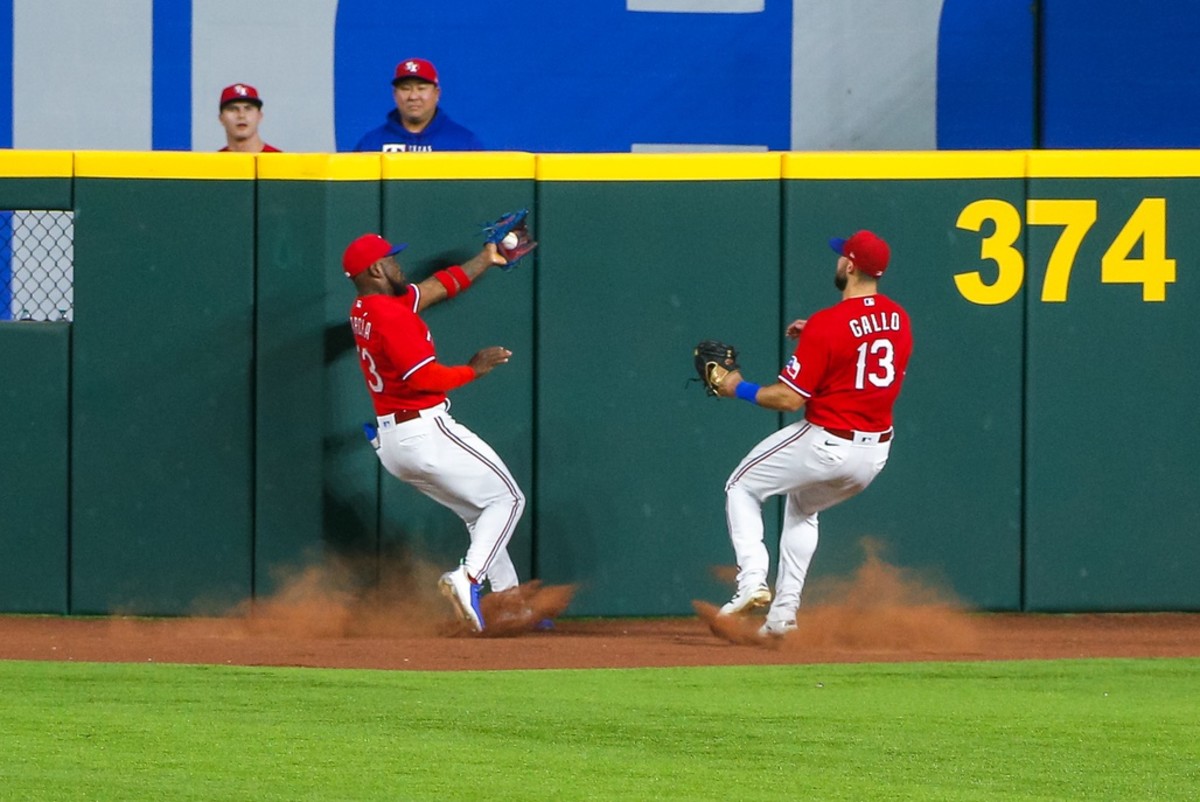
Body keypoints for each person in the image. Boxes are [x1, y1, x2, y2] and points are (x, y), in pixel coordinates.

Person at [713, 230, 913, 639]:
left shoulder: (829, 325)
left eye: (843, 256)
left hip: (827, 442)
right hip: (873, 456)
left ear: (852, 266)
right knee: (804, 508)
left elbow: (787, 399)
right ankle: (783, 616)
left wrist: (737, 387)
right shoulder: (899, 319)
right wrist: (819, 336)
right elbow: (863, 347)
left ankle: (752, 580)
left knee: (741, 487)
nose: (838, 260)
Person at [342, 231, 521, 633]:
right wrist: (473, 369)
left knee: (480, 513)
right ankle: (469, 578)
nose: (398, 264)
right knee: (509, 499)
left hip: (394, 445)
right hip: (424, 430)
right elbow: (425, 378)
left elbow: (435, 288)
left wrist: (486, 258)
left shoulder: (367, 308)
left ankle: (509, 604)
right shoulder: (391, 315)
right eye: (391, 259)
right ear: (376, 269)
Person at [352, 58, 484, 152]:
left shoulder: (464, 143)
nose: (413, 96)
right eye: (405, 88)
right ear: (394, 95)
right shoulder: (371, 144)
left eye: (421, 88)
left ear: (437, 93)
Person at [217, 83, 281, 153]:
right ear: (221, 118)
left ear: (259, 116)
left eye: (248, 108)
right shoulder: (212, 162)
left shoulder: (282, 161)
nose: (241, 115)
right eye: (232, 109)